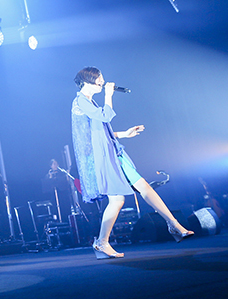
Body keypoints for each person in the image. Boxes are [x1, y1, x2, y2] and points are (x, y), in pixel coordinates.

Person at [70, 66, 193, 259]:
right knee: (117, 200)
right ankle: (101, 243)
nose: (103, 83)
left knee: (143, 186)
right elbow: (105, 116)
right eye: (99, 80)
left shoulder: (89, 102)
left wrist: (124, 134)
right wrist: (109, 96)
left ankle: (173, 224)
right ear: (88, 81)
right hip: (102, 157)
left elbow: (102, 133)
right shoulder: (80, 101)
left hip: (112, 151)